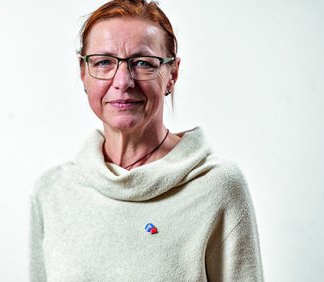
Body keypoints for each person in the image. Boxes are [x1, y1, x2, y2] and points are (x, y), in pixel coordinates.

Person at [29, 0, 263, 281]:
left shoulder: (217, 187)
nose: (123, 81)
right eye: (104, 62)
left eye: (142, 63)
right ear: (83, 73)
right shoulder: (53, 192)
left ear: (171, 75)